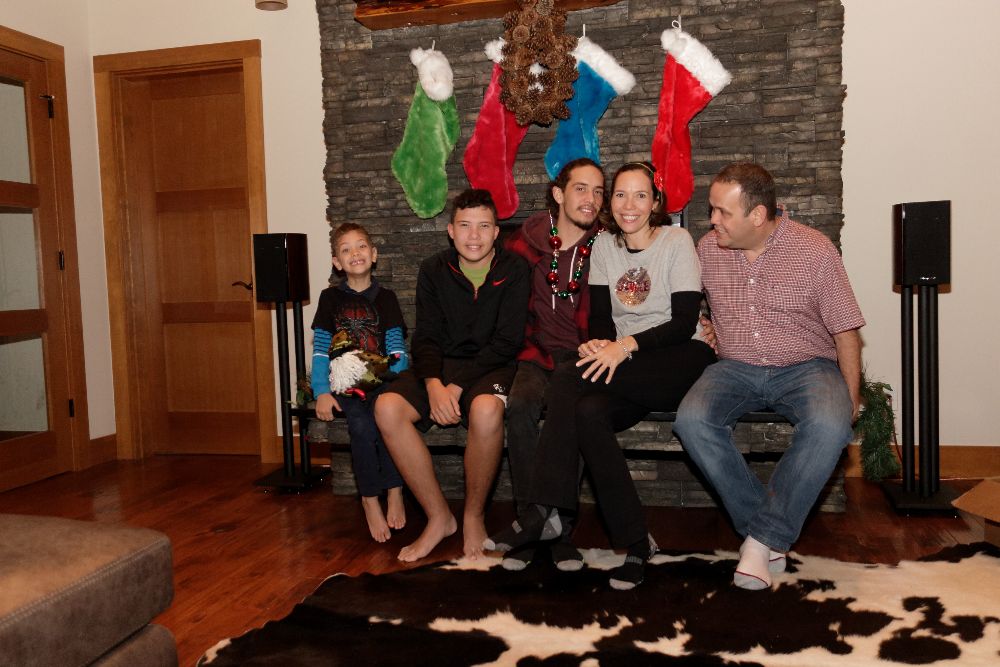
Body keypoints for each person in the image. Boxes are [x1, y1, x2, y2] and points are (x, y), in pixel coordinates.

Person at [486, 162, 716, 590]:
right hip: (625, 367)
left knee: (569, 378)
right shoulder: (606, 246)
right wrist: (598, 344)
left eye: (641, 195)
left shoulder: (676, 240)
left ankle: (542, 512)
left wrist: (622, 347)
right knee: (588, 413)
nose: (629, 205)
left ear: (656, 202)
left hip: (678, 360)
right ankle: (636, 542)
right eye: (621, 195)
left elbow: (684, 322)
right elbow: (601, 320)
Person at [673, 162, 865, 591]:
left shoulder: (814, 251)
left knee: (831, 424)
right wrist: (704, 326)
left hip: (806, 366)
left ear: (757, 215)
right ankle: (767, 535)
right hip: (734, 367)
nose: (712, 220)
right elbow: (682, 304)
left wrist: (851, 398)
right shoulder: (707, 249)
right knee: (691, 420)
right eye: (712, 209)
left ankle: (758, 542)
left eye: (723, 212)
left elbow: (846, 331)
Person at [374, 189, 530, 562]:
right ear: (450, 230)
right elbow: (426, 336)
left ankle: (473, 516)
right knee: (386, 408)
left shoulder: (515, 269)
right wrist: (433, 385)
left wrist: (455, 388)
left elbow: (507, 342)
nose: (473, 236)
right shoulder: (433, 269)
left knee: (487, 411)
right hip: (440, 365)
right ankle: (439, 517)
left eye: (483, 226)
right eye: (464, 226)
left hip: (492, 365)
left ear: (496, 232)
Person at [502, 157, 605, 572]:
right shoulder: (524, 242)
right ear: (559, 194)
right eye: (581, 188)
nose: (591, 198)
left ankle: (560, 529)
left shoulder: (608, 246)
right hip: (534, 352)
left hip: (583, 355)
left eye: (598, 191)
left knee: (576, 411)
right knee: (520, 405)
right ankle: (531, 520)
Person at [311, 222, 410, 543]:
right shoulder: (329, 299)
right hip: (347, 386)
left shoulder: (387, 298)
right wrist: (321, 391)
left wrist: (394, 380)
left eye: (361, 246)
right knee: (362, 428)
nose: (355, 253)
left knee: (387, 423)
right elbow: (321, 350)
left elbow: (397, 349)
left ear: (374, 254)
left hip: (383, 381)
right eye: (346, 249)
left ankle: (394, 489)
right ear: (337, 262)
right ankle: (369, 498)